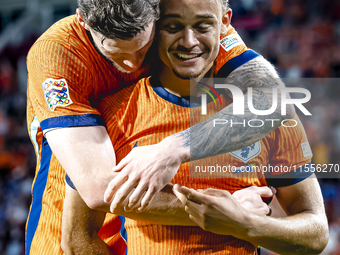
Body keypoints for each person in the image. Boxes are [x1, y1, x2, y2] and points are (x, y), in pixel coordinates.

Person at [61, 0, 328, 254]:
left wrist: (246, 224)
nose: (189, 42)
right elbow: (77, 238)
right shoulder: (113, 113)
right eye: (173, 26)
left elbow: (315, 235)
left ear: (225, 23)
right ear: (154, 28)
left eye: (203, 26)